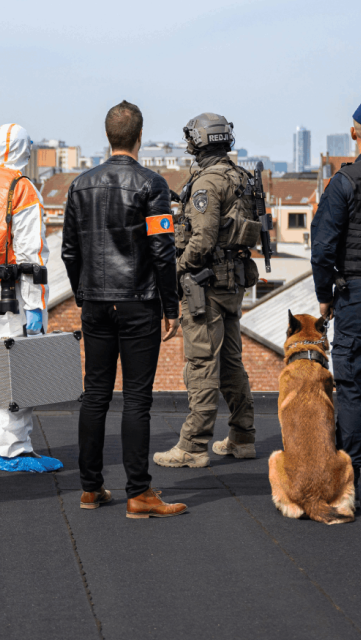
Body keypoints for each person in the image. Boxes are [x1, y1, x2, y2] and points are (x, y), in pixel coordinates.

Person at [62, 101, 186, 518]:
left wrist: (84, 295)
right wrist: (171, 306)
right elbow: (162, 252)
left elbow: (69, 251)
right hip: (139, 302)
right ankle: (139, 493)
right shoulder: (152, 185)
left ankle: (90, 489)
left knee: (94, 395)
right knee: (136, 399)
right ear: (139, 136)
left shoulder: (80, 185)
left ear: (108, 135)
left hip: (95, 301)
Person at [154, 113, 258, 470]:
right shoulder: (239, 177)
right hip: (232, 284)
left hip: (205, 287)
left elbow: (202, 240)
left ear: (199, 141)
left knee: (201, 364)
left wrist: (174, 269)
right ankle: (242, 437)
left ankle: (193, 446)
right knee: (231, 363)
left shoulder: (206, 183)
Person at [0, 123, 62, 473]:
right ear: (24, 149)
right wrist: (36, 304)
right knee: (15, 373)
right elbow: (31, 252)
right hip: (8, 296)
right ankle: (15, 450)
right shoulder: (21, 188)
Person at [311, 95, 361, 500]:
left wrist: (324, 298)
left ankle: (348, 479)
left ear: (354, 133)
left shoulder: (345, 182)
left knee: (352, 386)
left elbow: (323, 249)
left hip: (357, 296)